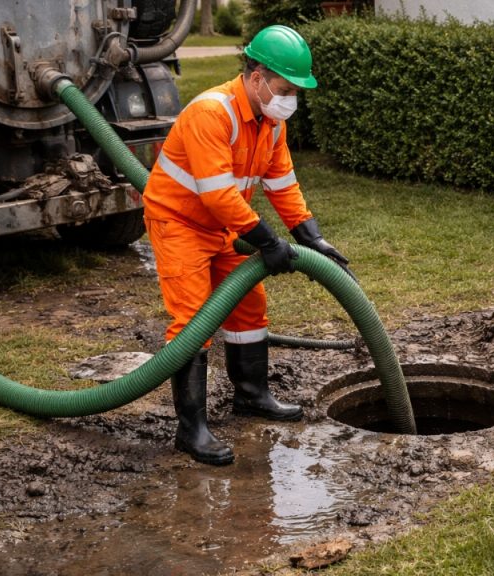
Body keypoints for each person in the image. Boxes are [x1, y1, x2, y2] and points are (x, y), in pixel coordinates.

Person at [143, 25, 352, 466]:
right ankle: (191, 430)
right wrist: (268, 242)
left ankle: (252, 395)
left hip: (222, 226)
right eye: (284, 88)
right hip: (179, 222)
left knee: (249, 309)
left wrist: (312, 237)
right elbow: (218, 194)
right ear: (256, 77)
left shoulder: (270, 122)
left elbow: (283, 183)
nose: (289, 98)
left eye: (296, 91)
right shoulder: (211, 113)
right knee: (193, 319)